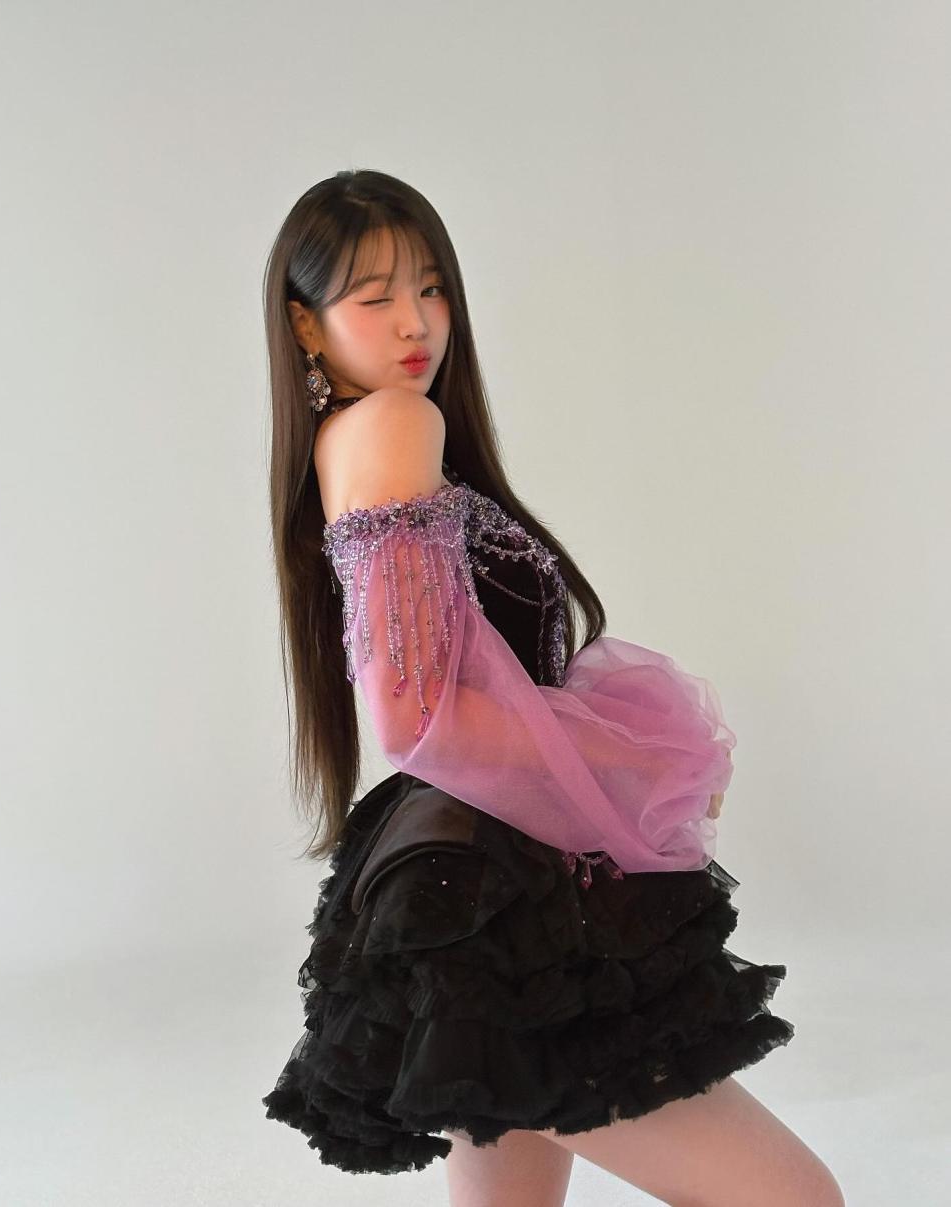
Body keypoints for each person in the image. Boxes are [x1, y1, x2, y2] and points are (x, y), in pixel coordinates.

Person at [259, 169, 845, 1206]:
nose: (416, 322)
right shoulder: (393, 422)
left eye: (432, 287)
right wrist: (642, 759)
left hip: (472, 878)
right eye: (375, 295)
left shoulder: (366, 438)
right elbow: (414, 717)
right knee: (794, 1197)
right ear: (306, 326)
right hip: (494, 889)